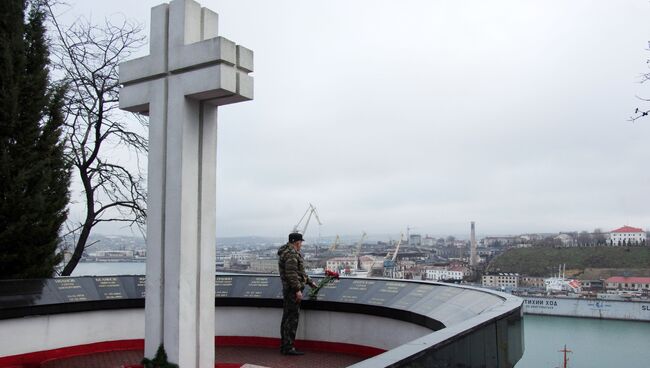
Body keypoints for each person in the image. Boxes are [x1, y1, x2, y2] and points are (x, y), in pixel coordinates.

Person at [277, 232, 317, 356]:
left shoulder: (288, 252)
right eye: (301, 242)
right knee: (291, 319)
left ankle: (285, 346)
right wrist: (297, 290)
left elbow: (300, 272)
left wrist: (310, 282)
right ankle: (288, 347)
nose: (301, 245)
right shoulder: (291, 254)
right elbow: (292, 274)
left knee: (287, 318)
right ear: (296, 242)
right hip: (292, 292)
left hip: (289, 290)